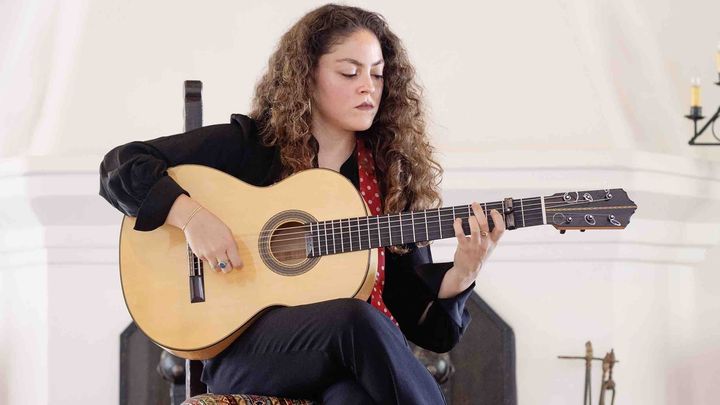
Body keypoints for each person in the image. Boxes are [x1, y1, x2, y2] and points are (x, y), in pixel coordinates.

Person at [99, 4, 505, 404]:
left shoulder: (387, 179)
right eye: (350, 72)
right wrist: (192, 218)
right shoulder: (252, 147)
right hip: (249, 355)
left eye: (378, 74)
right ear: (307, 75)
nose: (368, 87)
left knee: (354, 397)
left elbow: (425, 328)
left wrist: (463, 273)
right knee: (355, 318)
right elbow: (120, 165)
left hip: (342, 358)